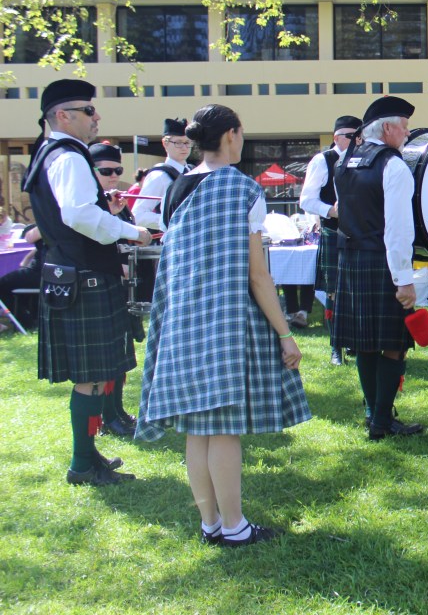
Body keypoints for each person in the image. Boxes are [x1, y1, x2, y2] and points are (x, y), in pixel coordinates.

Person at [136, 104, 310, 547]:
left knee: (197, 430)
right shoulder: (243, 188)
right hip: (226, 319)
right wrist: (285, 334)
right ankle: (234, 527)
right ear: (231, 134)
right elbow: (258, 275)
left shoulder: (176, 187)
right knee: (224, 429)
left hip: (181, 318)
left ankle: (210, 523)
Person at [21, 78, 153, 486]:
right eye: (89, 110)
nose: (97, 117)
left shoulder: (50, 152)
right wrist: (130, 231)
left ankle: (88, 455)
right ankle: (81, 464)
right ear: (63, 115)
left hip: (72, 273)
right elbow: (78, 214)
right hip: (86, 277)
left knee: (94, 376)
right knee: (92, 377)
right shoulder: (68, 156)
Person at [332, 96, 424, 440]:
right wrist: (404, 279)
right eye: (404, 126)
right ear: (387, 128)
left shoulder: (346, 161)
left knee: (365, 341)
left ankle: (374, 414)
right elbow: (397, 230)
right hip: (382, 261)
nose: (407, 133)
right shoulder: (393, 166)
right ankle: (382, 421)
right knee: (394, 343)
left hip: (351, 259)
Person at [299, 115, 362, 364]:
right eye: (351, 136)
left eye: (359, 136)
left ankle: (354, 342)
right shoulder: (322, 160)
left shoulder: (363, 159)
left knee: (357, 291)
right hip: (334, 231)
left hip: (361, 232)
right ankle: (336, 346)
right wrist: (330, 211)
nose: (357, 140)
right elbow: (306, 200)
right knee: (334, 292)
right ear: (336, 137)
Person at [88, 141, 138, 437]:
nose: (114, 176)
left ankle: (116, 410)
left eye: (118, 170)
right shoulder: (89, 204)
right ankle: (106, 417)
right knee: (107, 357)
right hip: (97, 283)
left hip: (119, 283)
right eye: (106, 171)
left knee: (122, 353)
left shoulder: (115, 202)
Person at [131, 117, 193, 231]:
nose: (184, 147)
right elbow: (138, 215)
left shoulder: (192, 171)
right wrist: (171, 220)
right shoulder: (159, 176)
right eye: (178, 143)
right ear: (165, 143)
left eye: (187, 142)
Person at [0, 224, 43, 332]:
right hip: (48, 270)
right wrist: (27, 258)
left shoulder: (49, 222)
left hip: (40, 271)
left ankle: (26, 323)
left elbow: (29, 237)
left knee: (2, 285)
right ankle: (28, 320)